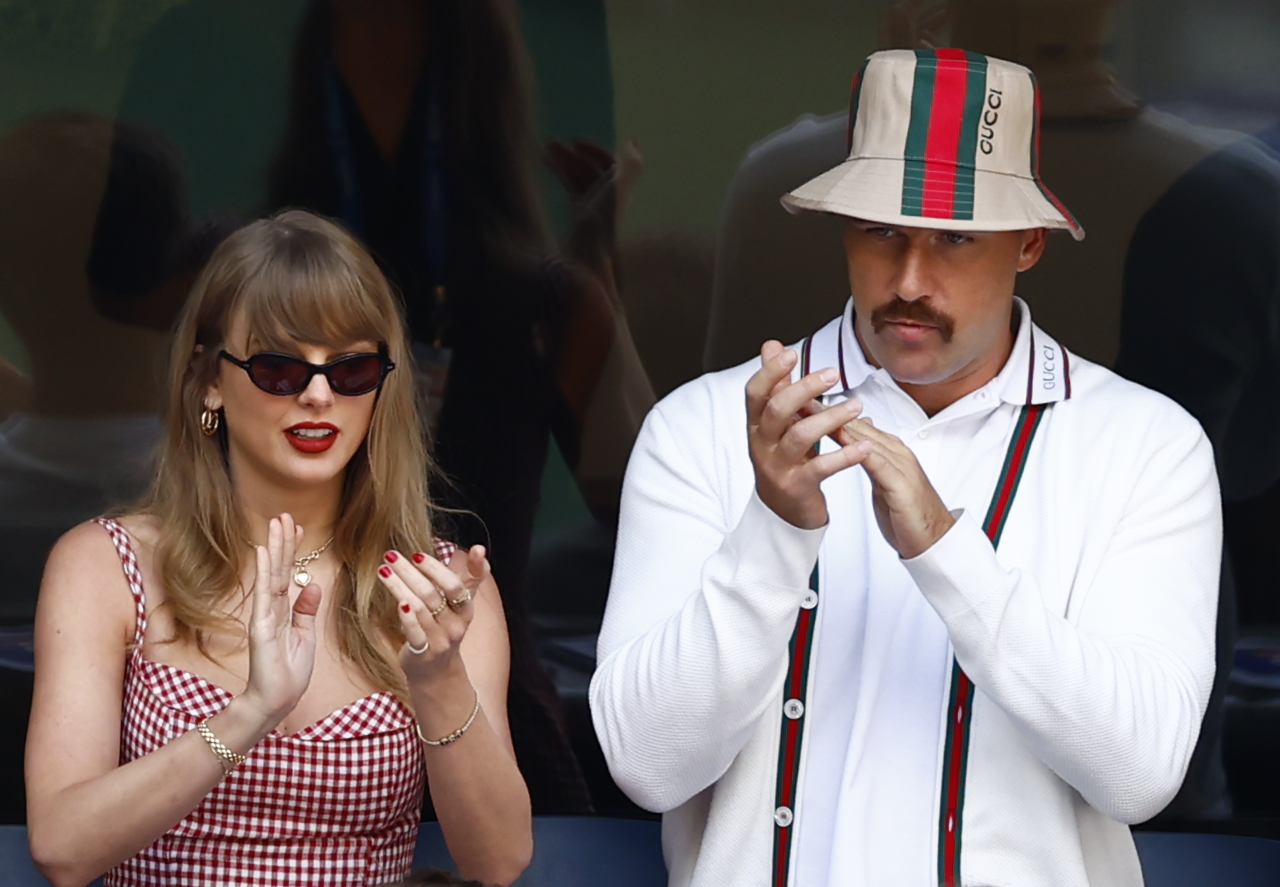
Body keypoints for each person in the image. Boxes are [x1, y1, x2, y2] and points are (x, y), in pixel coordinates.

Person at [592, 49, 1219, 887]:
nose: (911, 279)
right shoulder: (700, 427)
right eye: (883, 230)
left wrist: (946, 550)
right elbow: (646, 765)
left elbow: (1139, 773)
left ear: (1028, 242)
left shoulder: (1146, 445)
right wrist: (774, 529)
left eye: (955, 237)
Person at [25, 210, 532, 887]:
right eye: (279, 367)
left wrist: (439, 681)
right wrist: (250, 713)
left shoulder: (433, 585)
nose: (319, 394)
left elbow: (498, 861)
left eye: (351, 369)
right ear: (209, 379)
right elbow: (62, 846)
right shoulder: (106, 566)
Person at [267, 0, 653, 813]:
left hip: (488, 726)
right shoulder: (241, 292)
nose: (379, 32)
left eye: (402, 18)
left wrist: (596, 272)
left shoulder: (547, 303)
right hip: (272, 724)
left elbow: (640, 502)